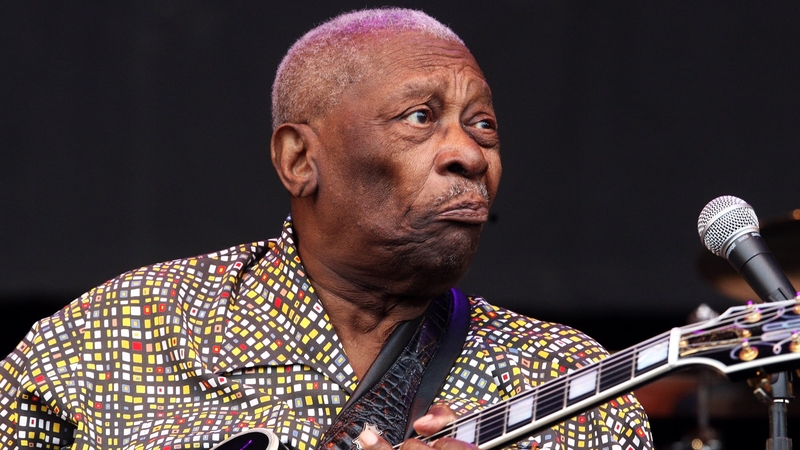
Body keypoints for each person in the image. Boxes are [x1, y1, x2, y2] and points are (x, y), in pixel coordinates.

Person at [0, 8, 653, 450]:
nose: (470, 154)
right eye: (421, 117)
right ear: (299, 159)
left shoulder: (571, 380)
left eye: (483, 125)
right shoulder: (118, 336)